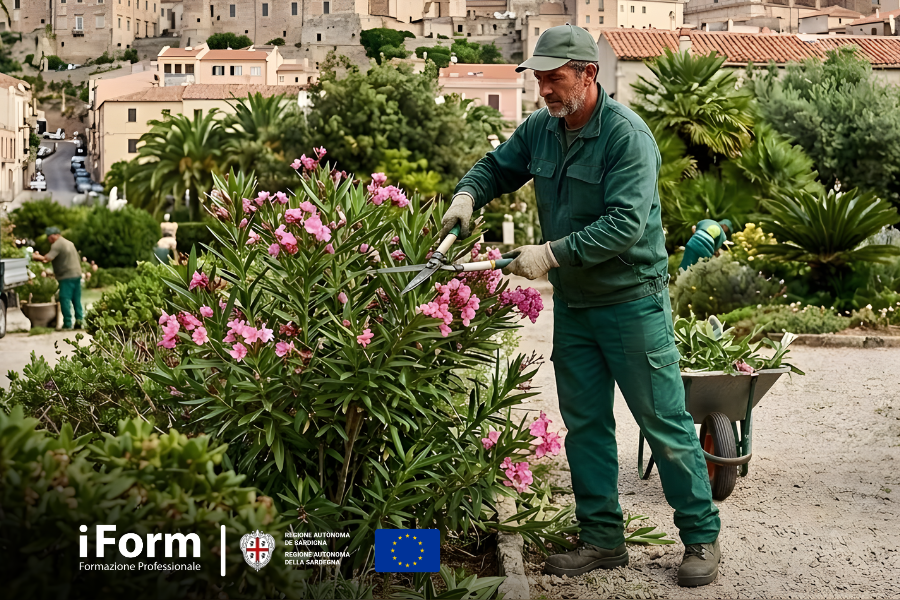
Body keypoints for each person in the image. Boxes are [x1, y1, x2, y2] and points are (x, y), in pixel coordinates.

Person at [440, 25, 722, 587]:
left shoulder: (626, 137)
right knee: (585, 426)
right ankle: (602, 540)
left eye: (553, 78)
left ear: (587, 73)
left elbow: (624, 224)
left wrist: (549, 254)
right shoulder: (542, 129)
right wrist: (467, 196)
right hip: (576, 307)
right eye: (539, 79)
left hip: (631, 305)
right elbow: (498, 166)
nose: (543, 89)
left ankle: (700, 537)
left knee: (664, 423)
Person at [31, 226, 84, 330]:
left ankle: (67, 323)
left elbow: (47, 259)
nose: (48, 239)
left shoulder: (57, 244)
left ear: (54, 235)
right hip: (77, 274)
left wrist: (34, 256)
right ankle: (79, 320)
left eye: (49, 237)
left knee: (64, 298)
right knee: (76, 299)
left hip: (66, 276)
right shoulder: (69, 243)